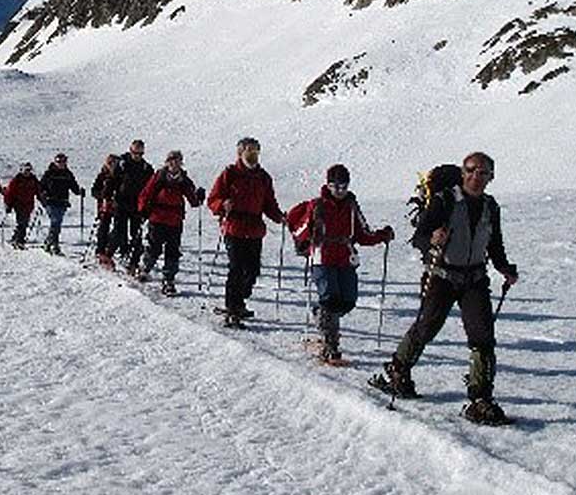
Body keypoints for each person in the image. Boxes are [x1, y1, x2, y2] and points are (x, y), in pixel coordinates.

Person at [370, 152, 519, 426]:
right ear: (463, 173)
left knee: (482, 336)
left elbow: (494, 244)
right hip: (441, 274)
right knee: (427, 326)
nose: (477, 176)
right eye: (472, 170)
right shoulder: (445, 200)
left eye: (483, 172)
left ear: (491, 177)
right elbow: (419, 237)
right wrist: (432, 240)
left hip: (474, 277)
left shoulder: (490, 207)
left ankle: (481, 398)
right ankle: (398, 369)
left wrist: (504, 268)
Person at [288, 164, 394, 363]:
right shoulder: (317, 205)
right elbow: (301, 228)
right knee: (330, 299)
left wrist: (382, 236)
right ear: (328, 185)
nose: (339, 190)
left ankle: (322, 317)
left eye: (343, 186)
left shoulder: (352, 206)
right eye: (335, 186)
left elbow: (363, 233)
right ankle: (331, 345)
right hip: (322, 257)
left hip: (345, 256)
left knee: (348, 300)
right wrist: (305, 243)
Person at [207, 137, 285, 327]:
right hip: (234, 227)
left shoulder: (263, 177)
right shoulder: (230, 174)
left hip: (255, 229)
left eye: (256, 150)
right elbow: (213, 199)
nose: (253, 154)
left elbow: (269, 204)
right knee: (236, 268)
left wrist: (280, 217)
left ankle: (238, 301)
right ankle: (233, 308)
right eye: (249, 150)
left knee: (252, 270)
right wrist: (222, 204)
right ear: (240, 153)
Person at [135, 150, 204, 296]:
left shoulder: (184, 179)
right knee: (154, 247)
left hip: (174, 220)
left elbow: (193, 200)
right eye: (172, 160)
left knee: (172, 251)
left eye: (177, 160)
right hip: (157, 218)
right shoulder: (159, 176)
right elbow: (146, 193)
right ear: (167, 162)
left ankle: (169, 279)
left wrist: (198, 197)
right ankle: (145, 268)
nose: (174, 163)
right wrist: (142, 209)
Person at [111, 139, 154, 274]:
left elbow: (151, 188)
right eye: (135, 152)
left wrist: (148, 207)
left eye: (140, 153)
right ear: (130, 151)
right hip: (121, 203)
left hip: (137, 206)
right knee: (120, 232)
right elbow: (112, 181)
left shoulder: (146, 168)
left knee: (136, 235)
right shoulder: (122, 165)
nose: (137, 156)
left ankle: (133, 262)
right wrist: (107, 197)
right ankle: (119, 253)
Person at [39, 153, 83, 255]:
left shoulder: (67, 174)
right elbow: (41, 186)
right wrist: (43, 194)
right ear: (55, 162)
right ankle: (55, 244)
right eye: (59, 162)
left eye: (63, 162)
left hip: (62, 202)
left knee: (57, 223)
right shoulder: (49, 173)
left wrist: (79, 191)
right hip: (50, 201)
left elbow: (74, 186)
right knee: (55, 222)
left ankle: (48, 242)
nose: (61, 164)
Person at [90, 154, 121, 268]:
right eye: (110, 163)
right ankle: (100, 251)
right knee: (103, 227)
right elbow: (94, 190)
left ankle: (110, 250)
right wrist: (102, 196)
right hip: (104, 206)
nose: (112, 165)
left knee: (118, 229)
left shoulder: (119, 175)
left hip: (117, 206)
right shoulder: (102, 175)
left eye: (114, 163)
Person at [3, 162, 40, 249]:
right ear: (21, 170)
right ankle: (19, 240)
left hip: (29, 204)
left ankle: (16, 237)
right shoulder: (16, 180)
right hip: (18, 204)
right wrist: (8, 204)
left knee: (24, 222)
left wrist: (43, 200)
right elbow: (9, 193)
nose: (27, 172)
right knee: (22, 222)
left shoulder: (33, 180)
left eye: (29, 170)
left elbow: (38, 191)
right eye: (26, 170)